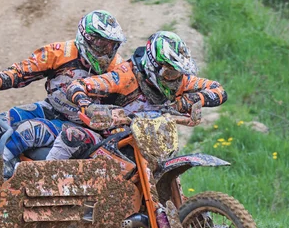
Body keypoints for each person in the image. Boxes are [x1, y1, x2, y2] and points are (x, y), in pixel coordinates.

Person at [0, 10, 126, 204]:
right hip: (52, 108)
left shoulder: (119, 71)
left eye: (111, 46)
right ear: (86, 38)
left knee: (27, 131)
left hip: (83, 126)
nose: (105, 52)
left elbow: (128, 105)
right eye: (101, 44)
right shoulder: (61, 52)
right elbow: (24, 68)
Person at [44, 31, 227, 160]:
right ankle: (43, 184)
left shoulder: (180, 80)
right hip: (109, 140)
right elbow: (77, 86)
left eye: (178, 73)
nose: (175, 79)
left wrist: (189, 101)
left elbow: (219, 91)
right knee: (72, 135)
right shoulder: (125, 75)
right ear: (154, 65)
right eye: (170, 73)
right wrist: (88, 105)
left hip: (150, 141)